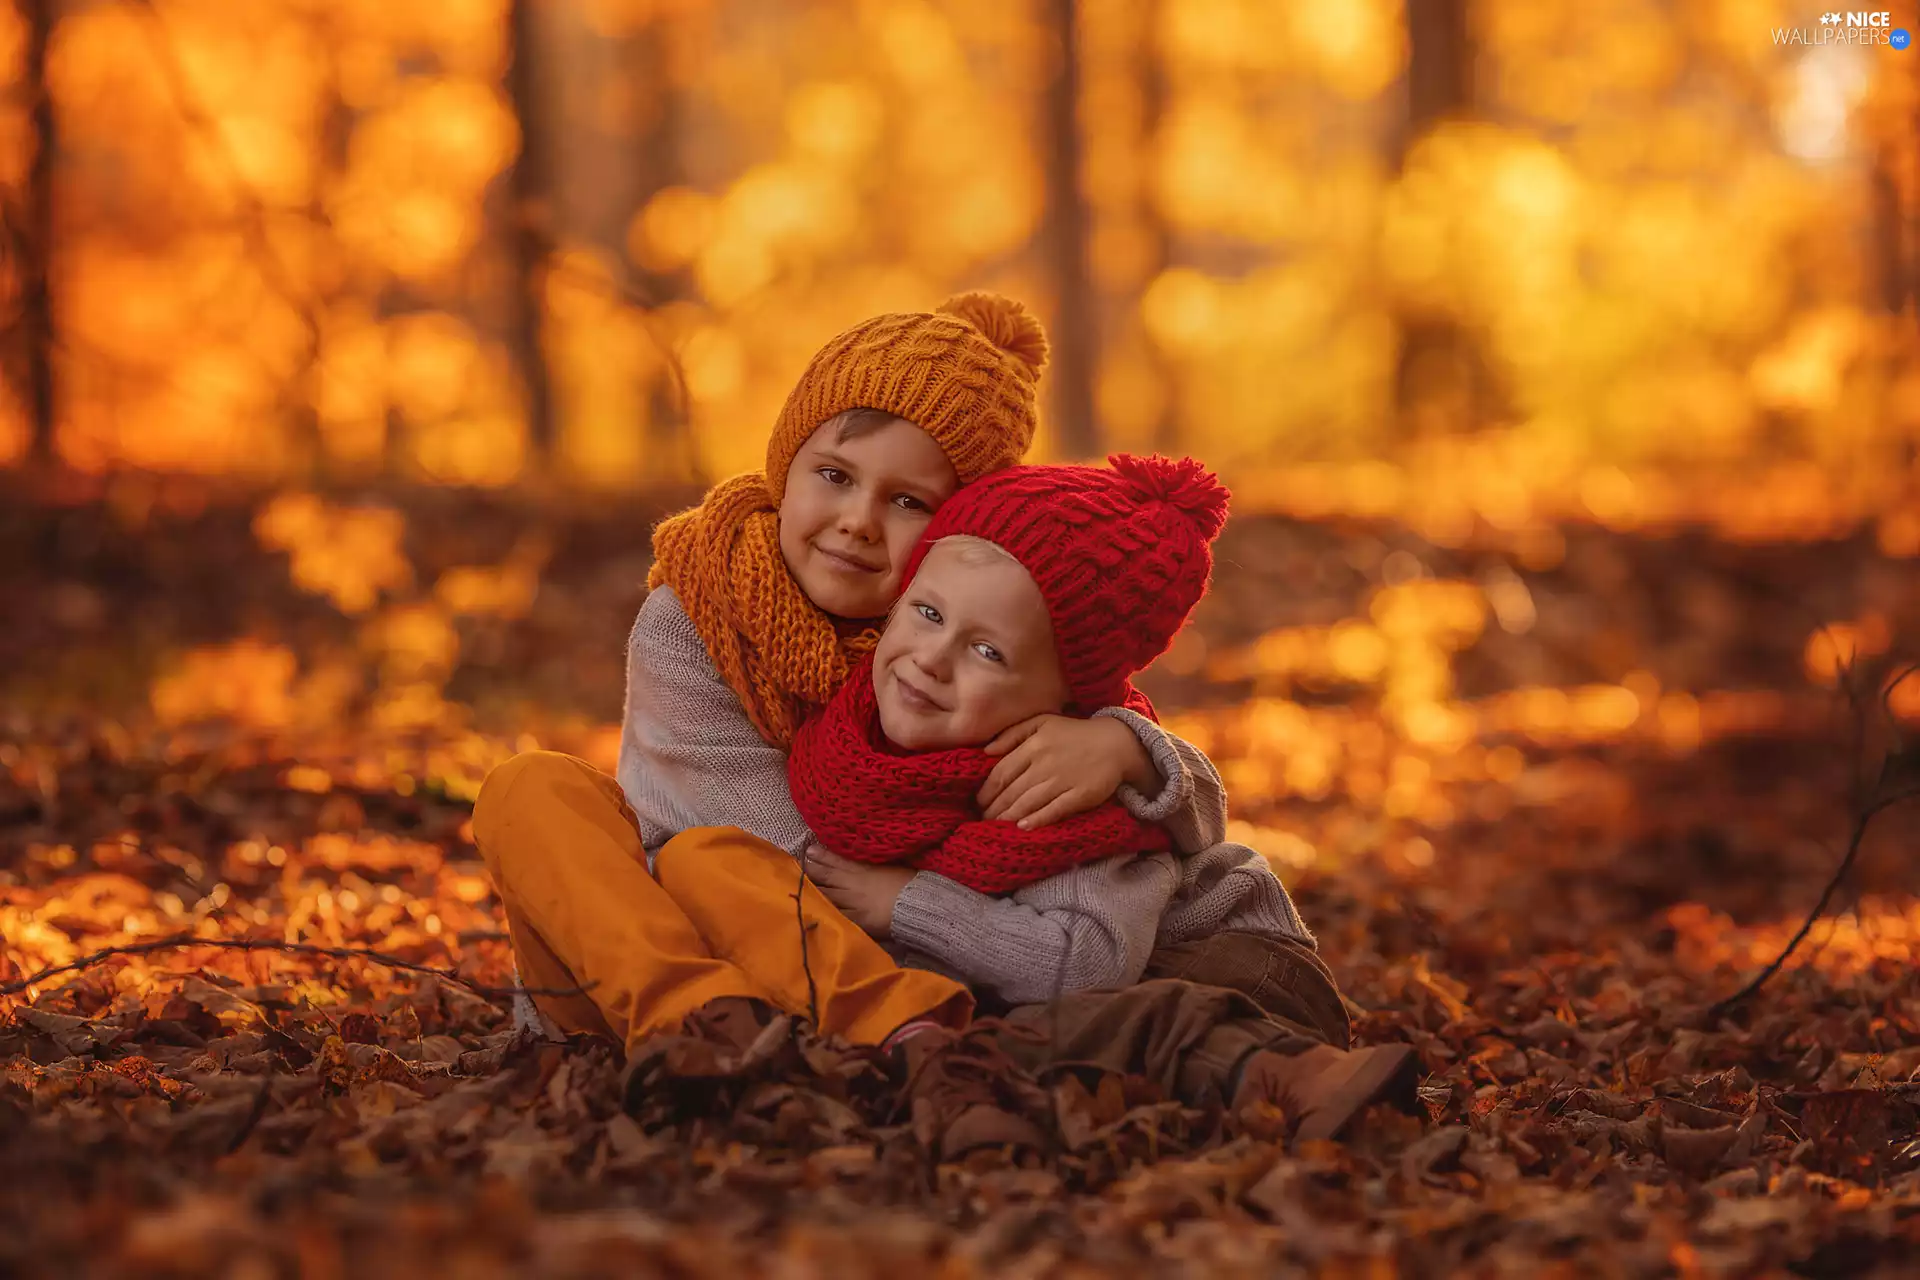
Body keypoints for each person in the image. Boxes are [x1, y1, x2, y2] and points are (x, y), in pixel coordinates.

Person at [472, 294, 1236, 1061]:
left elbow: (1190, 814)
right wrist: (921, 899)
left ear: (957, 531)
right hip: (647, 948)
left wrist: (1126, 749)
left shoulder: (950, 639)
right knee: (537, 791)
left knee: (719, 869)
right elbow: (782, 853)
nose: (859, 521)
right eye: (834, 475)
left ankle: (850, 1032)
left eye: (907, 502)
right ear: (785, 464)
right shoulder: (695, 617)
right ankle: (700, 1024)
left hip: (842, 969)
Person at [786, 455, 1422, 1144]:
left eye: (989, 653)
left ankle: (1298, 1075)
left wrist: (905, 904)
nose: (933, 659)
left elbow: (1080, 965)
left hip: (1238, 972)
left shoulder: (1069, 790)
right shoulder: (861, 743)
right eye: (928, 613)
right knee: (1011, 1029)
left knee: (1068, 1019)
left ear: (1066, 697)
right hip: (1095, 985)